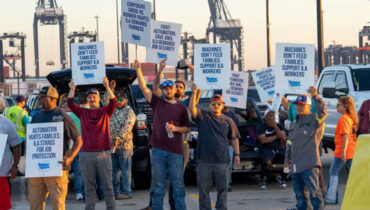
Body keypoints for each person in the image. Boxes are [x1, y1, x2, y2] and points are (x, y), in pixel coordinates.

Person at [136, 59, 190, 210]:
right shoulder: (157, 103)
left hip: (175, 152)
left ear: (174, 90)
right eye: (165, 89)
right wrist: (139, 70)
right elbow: (143, 87)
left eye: (170, 88)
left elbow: (187, 128)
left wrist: (176, 129)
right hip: (158, 151)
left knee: (178, 186)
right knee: (158, 186)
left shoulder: (181, 108)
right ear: (163, 90)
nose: (168, 91)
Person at [28, 86, 82, 210]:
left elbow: (78, 140)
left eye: (42, 97)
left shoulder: (63, 116)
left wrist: (70, 158)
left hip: (57, 168)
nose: (40, 100)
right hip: (36, 170)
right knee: (34, 205)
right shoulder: (36, 116)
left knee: (58, 205)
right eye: (39, 97)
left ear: (53, 99)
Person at [189, 83, 241, 210]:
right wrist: (194, 92)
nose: (216, 106)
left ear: (223, 105)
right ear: (209, 105)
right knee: (203, 190)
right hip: (204, 160)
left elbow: (234, 138)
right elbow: (192, 109)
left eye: (218, 104)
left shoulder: (229, 121)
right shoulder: (203, 116)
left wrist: (237, 154)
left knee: (223, 189)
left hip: (222, 161)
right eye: (213, 104)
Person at [67, 77, 117, 210]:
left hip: (103, 153)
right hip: (86, 154)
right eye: (89, 97)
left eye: (94, 96)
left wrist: (107, 86)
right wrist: (72, 89)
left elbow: (113, 102)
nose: (92, 99)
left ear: (99, 98)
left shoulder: (105, 112)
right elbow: (71, 104)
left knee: (108, 187)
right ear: (87, 100)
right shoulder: (83, 113)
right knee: (89, 188)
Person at [285, 86, 327, 210]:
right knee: (300, 196)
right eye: (297, 105)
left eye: (302, 105)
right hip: (295, 167)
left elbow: (323, 112)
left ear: (309, 107)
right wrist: (286, 161)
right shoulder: (294, 123)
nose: (299, 107)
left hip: (309, 165)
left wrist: (316, 96)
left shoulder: (314, 120)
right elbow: (289, 144)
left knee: (315, 194)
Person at [325, 96, 358, 204]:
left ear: (345, 107)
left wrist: (343, 152)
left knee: (333, 172)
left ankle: (331, 198)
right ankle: (356, 196)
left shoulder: (343, 118)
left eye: (338, 104)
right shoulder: (352, 118)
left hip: (343, 151)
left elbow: (345, 136)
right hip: (352, 150)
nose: (336, 106)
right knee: (353, 174)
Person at [109, 92, 136, 200]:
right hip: (112, 146)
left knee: (125, 170)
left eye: (121, 100)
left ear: (126, 101)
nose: (118, 102)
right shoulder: (113, 110)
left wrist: (116, 139)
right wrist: (109, 88)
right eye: (117, 100)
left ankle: (127, 191)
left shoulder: (130, 112)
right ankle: (116, 192)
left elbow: (126, 128)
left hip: (125, 147)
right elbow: (105, 101)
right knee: (113, 170)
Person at [60, 97, 84, 201]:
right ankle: (85, 191)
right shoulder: (81, 115)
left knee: (76, 171)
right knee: (84, 172)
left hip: (70, 148)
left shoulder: (64, 117)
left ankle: (78, 192)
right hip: (83, 147)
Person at [256, 109, 287, 190]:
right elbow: (263, 140)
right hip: (266, 148)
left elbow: (283, 138)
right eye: (269, 115)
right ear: (265, 117)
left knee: (287, 162)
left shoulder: (279, 126)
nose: (271, 117)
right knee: (267, 162)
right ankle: (263, 179)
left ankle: (283, 177)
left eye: (272, 115)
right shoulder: (261, 127)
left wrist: (275, 127)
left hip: (279, 148)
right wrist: (277, 136)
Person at [0, 96, 21, 210]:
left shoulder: (6, 124)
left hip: (3, 172)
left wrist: (15, 166)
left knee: (2, 205)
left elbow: (16, 146)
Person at [222, 106, 240, 192]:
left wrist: (237, 154)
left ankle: (227, 183)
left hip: (229, 144)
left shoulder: (232, 115)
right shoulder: (217, 114)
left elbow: (236, 131)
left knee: (228, 165)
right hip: (217, 145)